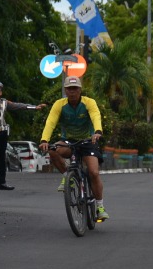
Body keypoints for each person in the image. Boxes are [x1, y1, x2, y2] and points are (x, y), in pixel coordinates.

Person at [39, 75, 108, 221]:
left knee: (94, 172)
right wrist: (44, 139)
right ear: (65, 90)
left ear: (80, 89)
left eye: (75, 89)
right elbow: (51, 122)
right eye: (69, 89)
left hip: (88, 140)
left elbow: (96, 116)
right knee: (52, 149)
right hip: (68, 141)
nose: (72, 92)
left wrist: (98, 132)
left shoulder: (89, 102)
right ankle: (67, 176)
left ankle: (100, 206)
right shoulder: (59, 104)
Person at [0, 80, 46, 190]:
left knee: (2, 158)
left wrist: (34, 107)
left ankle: (2, 182)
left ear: (1, 92)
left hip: (3, 133)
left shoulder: (4, 103)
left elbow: (18, 106)